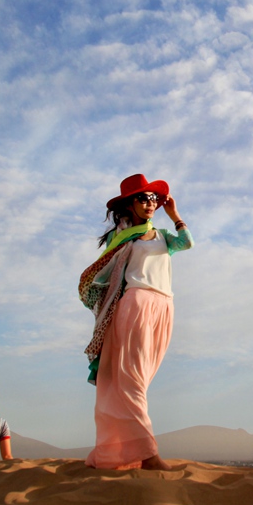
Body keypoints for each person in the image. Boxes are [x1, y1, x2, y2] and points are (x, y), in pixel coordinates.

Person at [79, 173, 194, 470]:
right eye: (143, 198)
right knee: (131, 381)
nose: (149, 203)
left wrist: (174, 214)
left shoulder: (163, 237)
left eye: (153, 198)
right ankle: (148, 454)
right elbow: (101, 277)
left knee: (138, 380)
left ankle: (119, 450)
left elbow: (187, 243)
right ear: (129, 204)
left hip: (164, 307)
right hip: (136, 305)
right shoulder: (124, 239)